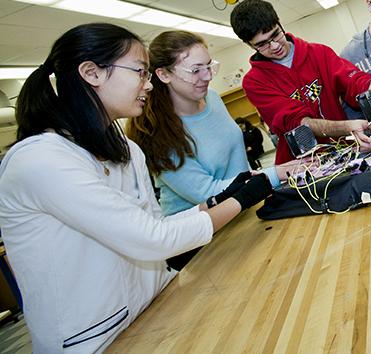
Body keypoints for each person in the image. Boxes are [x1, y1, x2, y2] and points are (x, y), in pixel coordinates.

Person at [0, 23, 275, 352]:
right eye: (140, 72)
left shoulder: (124, 148)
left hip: (154, 306)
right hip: (93, 340)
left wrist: (215, 201)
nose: (148, 85)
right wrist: (242, 199)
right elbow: (152, 240)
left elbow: (154, 224)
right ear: (92, 73)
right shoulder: (41, 160)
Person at [127, 31, 280, 217]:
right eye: (196, 70)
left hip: (244, 203)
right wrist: (276, 174)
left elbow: (238, 167)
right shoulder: (157, 132)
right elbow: (207, 193)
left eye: (209, 66)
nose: (207, 76)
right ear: (164, 74)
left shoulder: (212, 98)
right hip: (201, 230)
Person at [230, 0, 371, 164]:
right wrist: (345, 127)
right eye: (262, 44)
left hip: (348, 151)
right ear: (249, 45)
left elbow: (351, 80)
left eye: (275, 35)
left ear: (279, 23)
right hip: (306, 165)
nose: (274, 46)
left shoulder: (318, 53)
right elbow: (297, 124)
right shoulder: (254, 82)